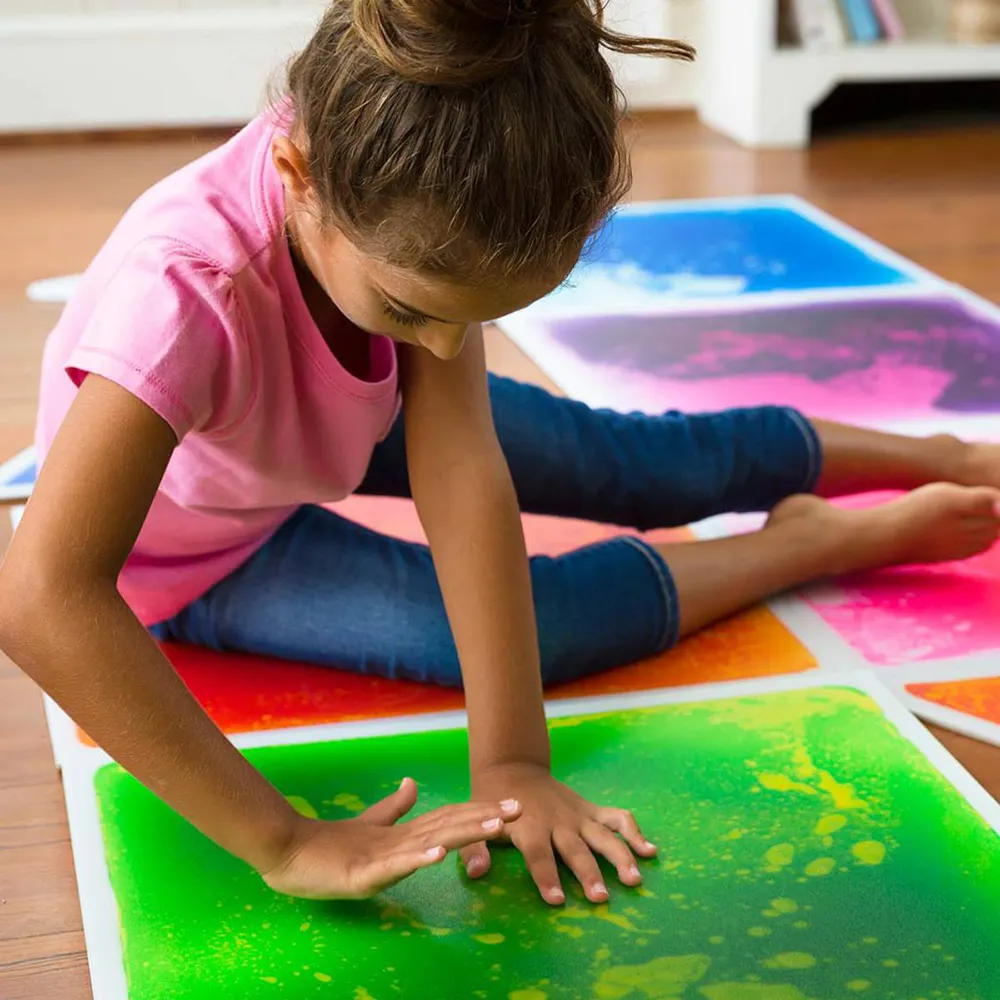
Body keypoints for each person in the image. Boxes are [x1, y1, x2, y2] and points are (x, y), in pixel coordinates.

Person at [2, 0, 999, 910]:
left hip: (312, 427)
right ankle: (807, 544)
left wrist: (512, 760)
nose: (439, 351)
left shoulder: (424, 218)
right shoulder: (185, 293)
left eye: (481, 316)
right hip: (196, 554)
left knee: (631, 463)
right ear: (298, 175)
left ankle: (944, 449)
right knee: (518, 627)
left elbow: (462, 469)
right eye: (412, 311)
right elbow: (39, 593)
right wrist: (284, 840)